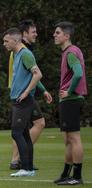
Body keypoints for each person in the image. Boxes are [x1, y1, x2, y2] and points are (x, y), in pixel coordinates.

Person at [9, 19, 53, 170]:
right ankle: (19, 161)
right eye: (33, 32)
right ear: (23, 34)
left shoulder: (25, 52)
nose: (36, 34)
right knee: (23, 130)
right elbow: (23, 76)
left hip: (24, 96)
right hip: (20, 95)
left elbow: (35, 74)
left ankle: (22, 163)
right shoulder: (17, 51)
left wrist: (41, 90)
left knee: (22, 131)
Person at [3, 28, 42, 177]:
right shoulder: (16, 54)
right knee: (24, 134)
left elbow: (38, 74)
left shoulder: (25, 54)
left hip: (23, 100)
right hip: (18, 99)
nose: (4, 44)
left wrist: (26, 92)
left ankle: (25, 168)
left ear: (15, 40)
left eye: (6, 41)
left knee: (16, 132)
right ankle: (29, 168)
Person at [53, 21, 87, 185]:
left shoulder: (71, 52)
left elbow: (78, 74)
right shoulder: (69, 52)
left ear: (67, 36)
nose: (54, 35)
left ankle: (77, 176)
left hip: (71, 99)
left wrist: (69, 91)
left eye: (58, 33)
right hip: (69, 100)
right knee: (68, 138)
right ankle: (66, 174)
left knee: (74, 138)